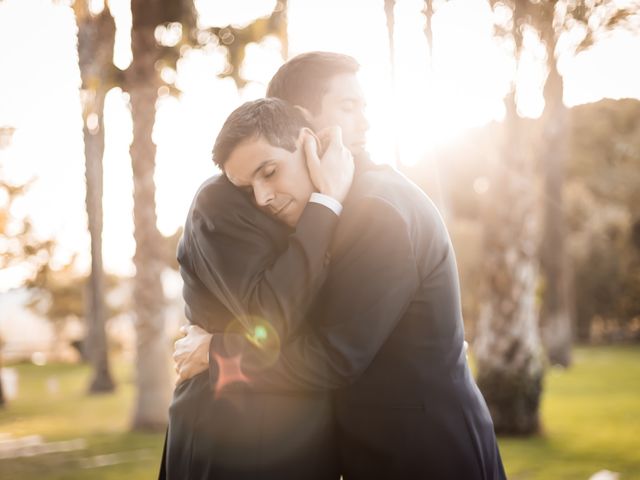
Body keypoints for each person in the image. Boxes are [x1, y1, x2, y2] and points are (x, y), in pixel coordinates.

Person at [168, 52, 506, 479]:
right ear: (304, 123)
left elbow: (334, 357)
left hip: (422, 453)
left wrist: (217, 354)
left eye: (363, 106)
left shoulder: (377, 208)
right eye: (349, 107)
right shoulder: (323, 204)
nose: (365, 122)